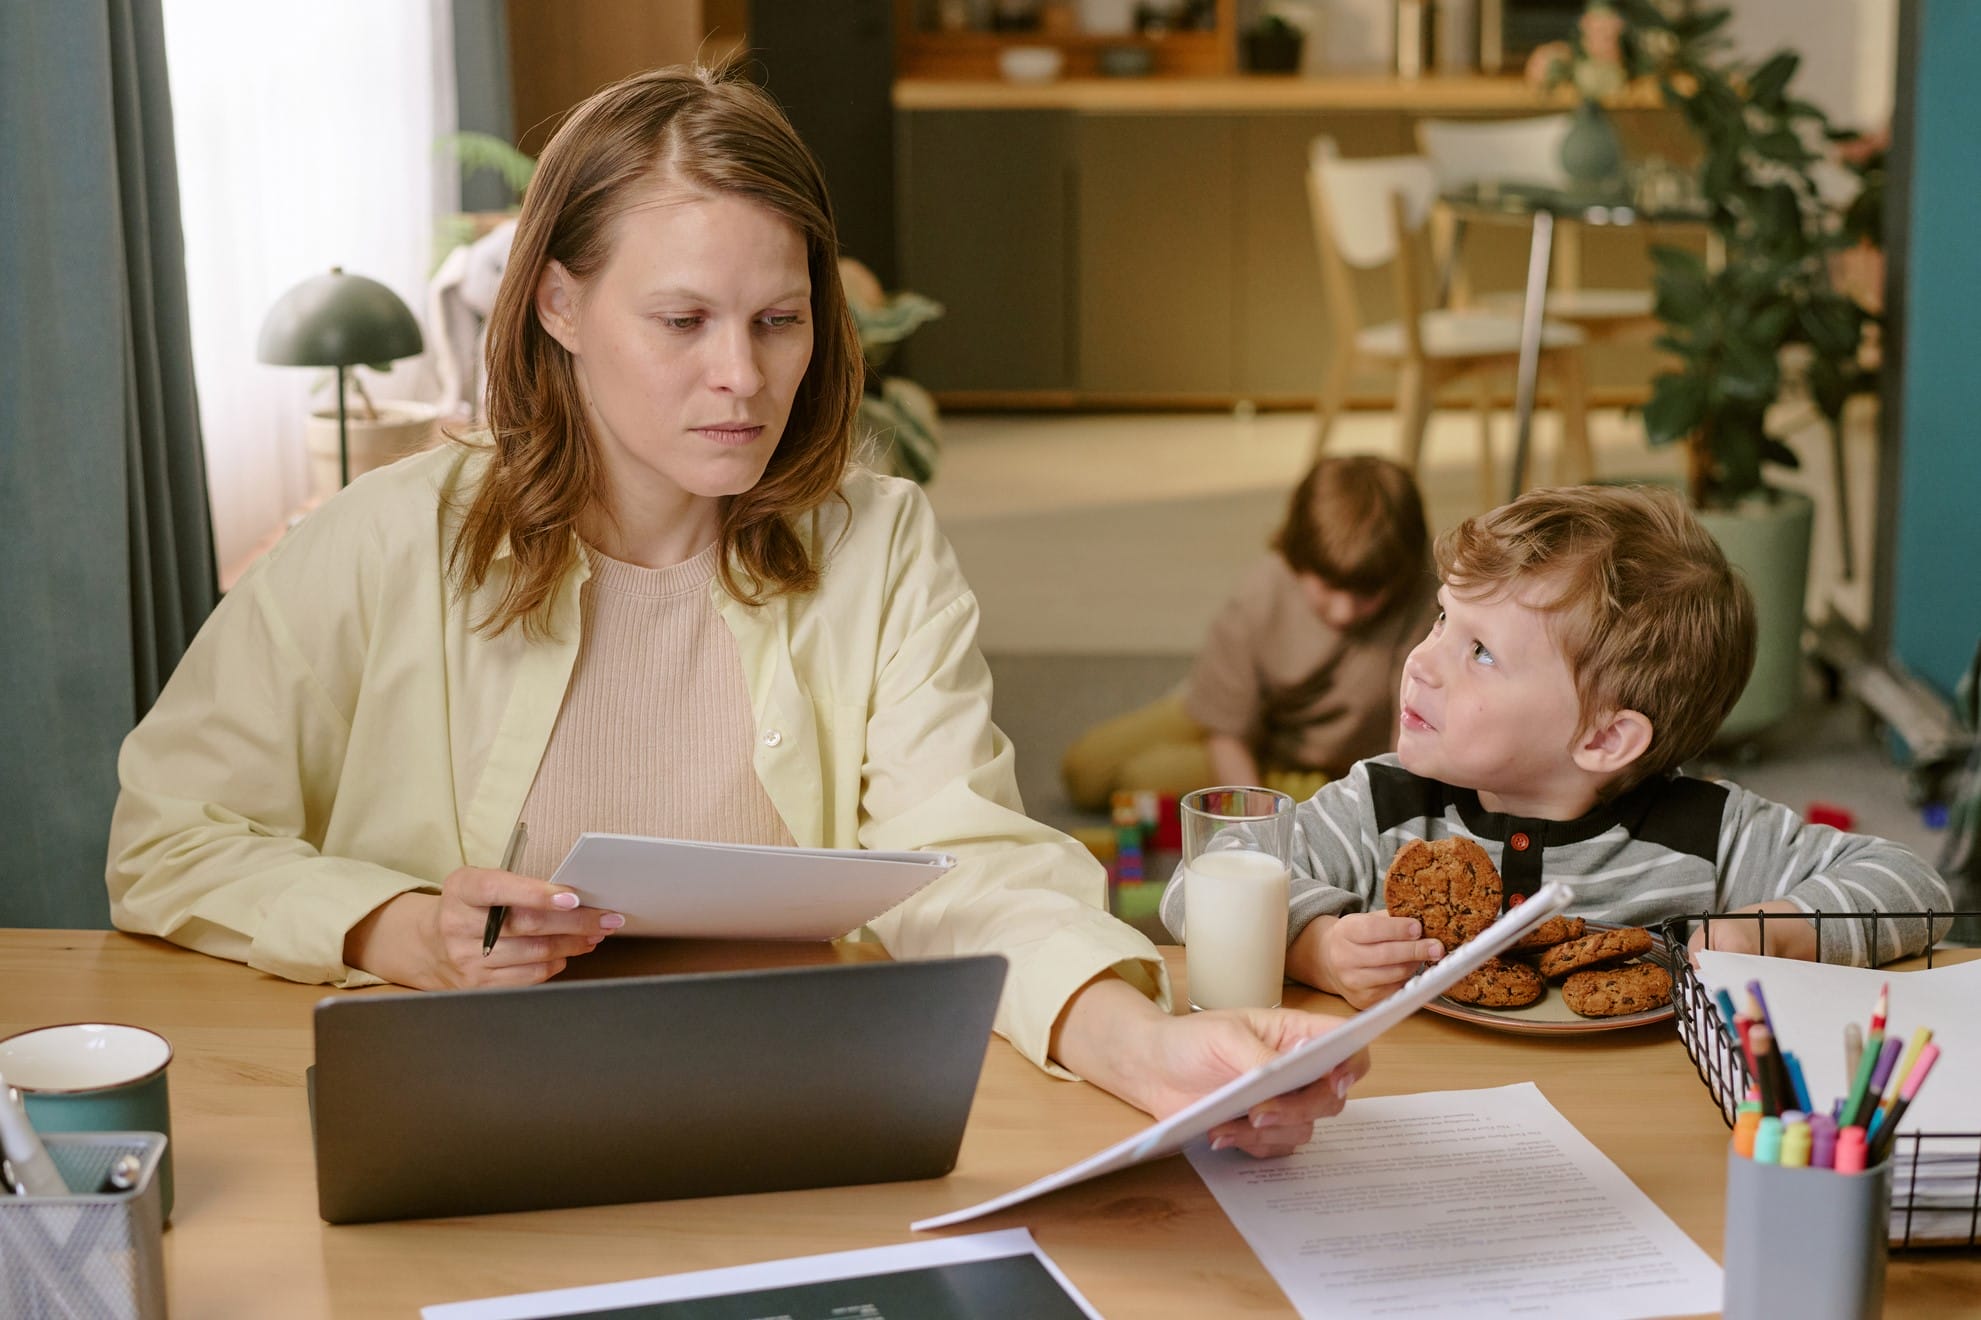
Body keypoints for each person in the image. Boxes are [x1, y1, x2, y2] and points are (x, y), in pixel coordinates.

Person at [106, 64, 1366, 1152]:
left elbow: (965, 865)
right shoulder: (381, 543)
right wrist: (387, 927)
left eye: (778, 321)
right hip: (475, 1113)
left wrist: (1140, 1046)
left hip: (805, 1108)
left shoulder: (880, 544)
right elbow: (167, 834)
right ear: (557, 304)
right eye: (682, 320)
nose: (742, 377)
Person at [1160, 484, 1953, 1009]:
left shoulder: (1705, 833)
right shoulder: (1386, 802)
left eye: (1479, 652)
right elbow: (1197, 885)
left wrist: (1766, 932)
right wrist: (1315, 947)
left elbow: (1914, 888)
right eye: (1442, 619)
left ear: (1605, 737)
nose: (1422, 660)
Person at [1061, 456, 1439, 811]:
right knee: (1085, 770)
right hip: (1238, 719)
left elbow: (1404, 752)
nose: (1343, 612)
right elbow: (1227, 736)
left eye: (1366, 595)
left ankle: (1303, 787)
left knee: (1141, 778)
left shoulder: (1421, 604)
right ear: (1297, 556)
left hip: (1312, 757)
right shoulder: (1260, 598)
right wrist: (1258, 814)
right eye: (1327, 587)